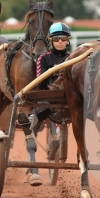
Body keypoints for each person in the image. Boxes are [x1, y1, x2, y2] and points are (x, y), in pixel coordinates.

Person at [18, 22, 71, 185]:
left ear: (68, 40)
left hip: (68, 100)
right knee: (36, 120)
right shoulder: (44, 58)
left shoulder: (73, 57)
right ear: (51, 41)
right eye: (56, 39)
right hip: (47, 98)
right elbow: (40, 81)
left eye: (63, 38)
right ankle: (33, 168)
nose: (60, 41)